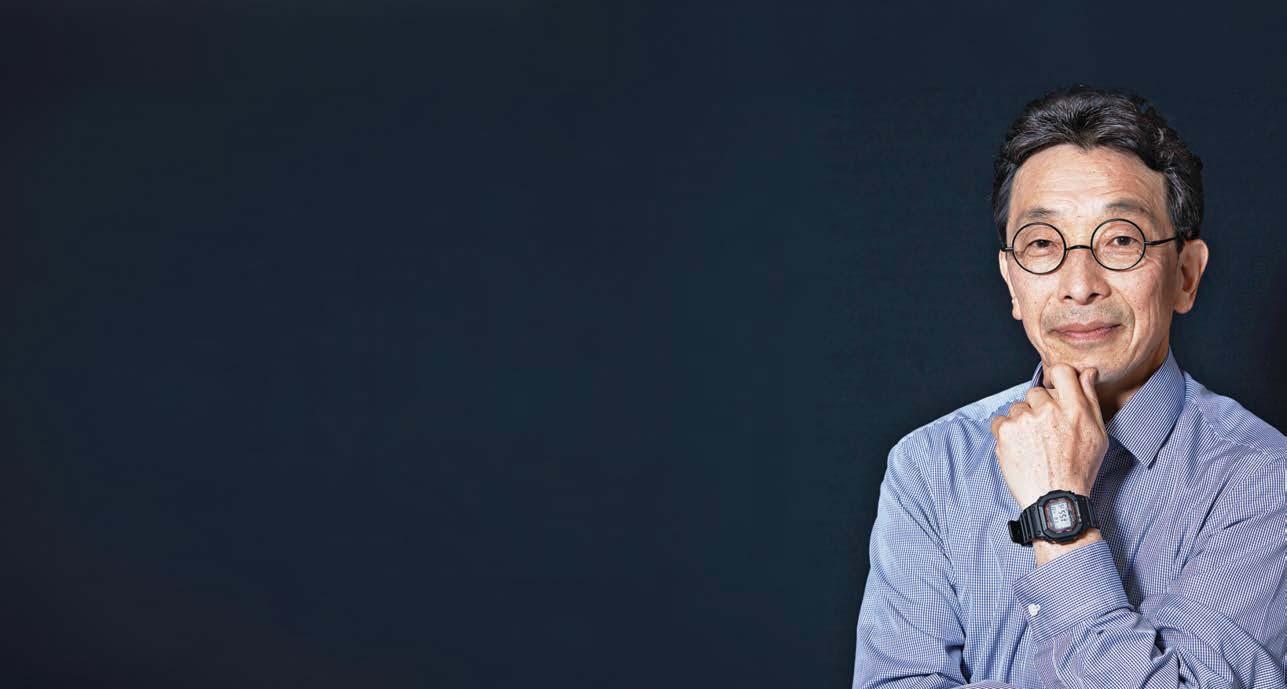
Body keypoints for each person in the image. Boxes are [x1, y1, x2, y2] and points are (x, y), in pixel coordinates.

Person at [851, 85, 1287, 689]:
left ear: (1186, 276)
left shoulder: (1263, 479)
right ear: (1011, 281)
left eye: (1121, 240)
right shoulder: (931, 466)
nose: (1079, 285)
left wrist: (1058, 512)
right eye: (1041, 244)